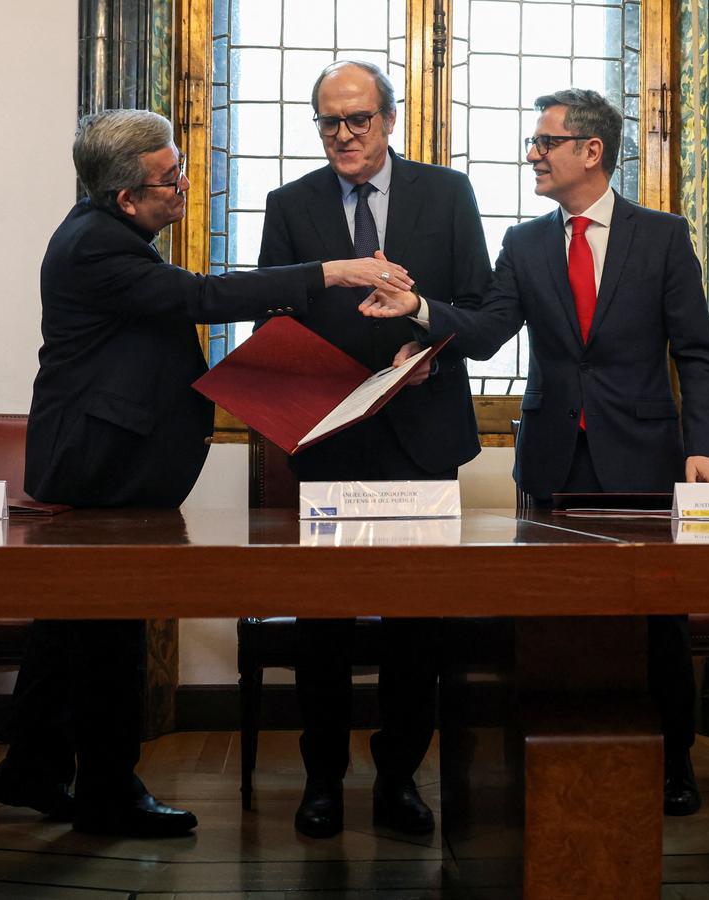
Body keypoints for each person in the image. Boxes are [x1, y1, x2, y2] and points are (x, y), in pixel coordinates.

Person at [0, 108, 409, 839]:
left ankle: (31, 767)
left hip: (105, 461)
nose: (183, 187)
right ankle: (108, 793)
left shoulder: (109, 232)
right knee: (109, 636)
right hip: (104, 469)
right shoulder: (97, 246)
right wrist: (331, 271)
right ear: (126, 196)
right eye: (171, 178)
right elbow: (202, 298)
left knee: (72, 629)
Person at [359, 88, 709, 815]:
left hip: (646, 460)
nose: (533, 152)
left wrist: (704, 448)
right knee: (555, 618)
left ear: (591, 151)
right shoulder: (524, 243)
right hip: (556, 460)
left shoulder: (662, 235)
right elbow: (491, 330)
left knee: (660, 622)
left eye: (545, 141)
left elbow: (698, 353)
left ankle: (674, 762)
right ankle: (558, 765)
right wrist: (422, 310)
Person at [258, 60, 494, 839]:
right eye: (329, 121)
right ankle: (322, 781)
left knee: (414, 626)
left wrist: (425, 334)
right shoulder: (290, 205)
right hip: (330, 441)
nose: (343, 136)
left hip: (422, 438)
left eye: (357, 120)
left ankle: (400, 779)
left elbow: (481, 313)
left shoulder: (446, 193)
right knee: (321, 625)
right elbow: (271, 320)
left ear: (390, 121)